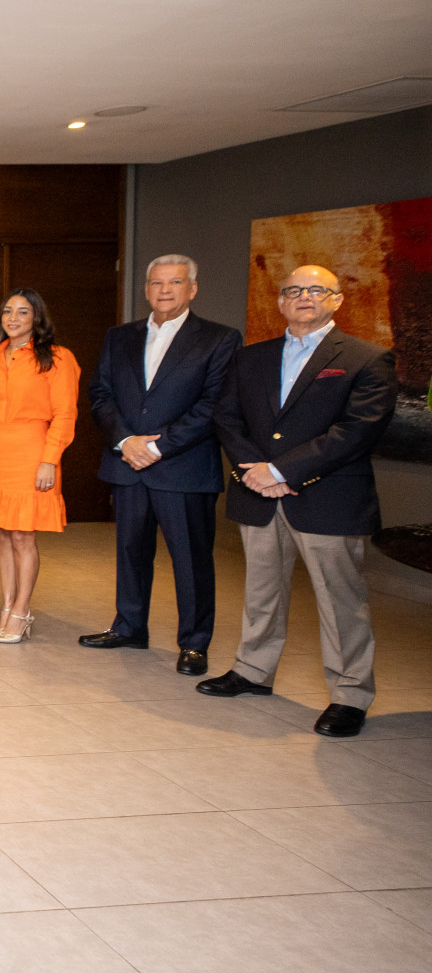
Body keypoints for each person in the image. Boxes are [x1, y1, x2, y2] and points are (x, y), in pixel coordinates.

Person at [202, 264, 399, 739]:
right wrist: (258, 473)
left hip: (328, 498)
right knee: (261, 593)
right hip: (259, 495)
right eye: (293, 290)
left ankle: (350, 695)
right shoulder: (252, 358)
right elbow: (227, 418)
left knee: (340, 602)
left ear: (337, 300)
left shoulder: (367, 358)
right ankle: (253, 670)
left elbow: (356, 431)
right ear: (280, 302)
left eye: (316, 289)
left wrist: (281, 471)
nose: (304, 297)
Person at [81, 255, 242, 674]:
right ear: (146, 289)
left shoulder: (219, 339)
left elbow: (215, 404)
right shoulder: (120, 336)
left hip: (183, 467)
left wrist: (158, 447)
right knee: (130, 551)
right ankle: (129, 626)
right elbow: (100, 394)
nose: (164, 290)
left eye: (175, 282)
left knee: (190, 559)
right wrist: (125, 441)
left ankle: (194, 643)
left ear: (193, 288)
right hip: (127, 463)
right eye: (156, 283)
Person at [0, 288, 80, 644]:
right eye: (8, 311)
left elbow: (65, 413)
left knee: (22, 535)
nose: (13, 318)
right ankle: (7, 604)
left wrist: (49, 460)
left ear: (37, 318)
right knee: (1, 534)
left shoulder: (57, 358)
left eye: (23, 312)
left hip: (32, 450)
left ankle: (22, 610)